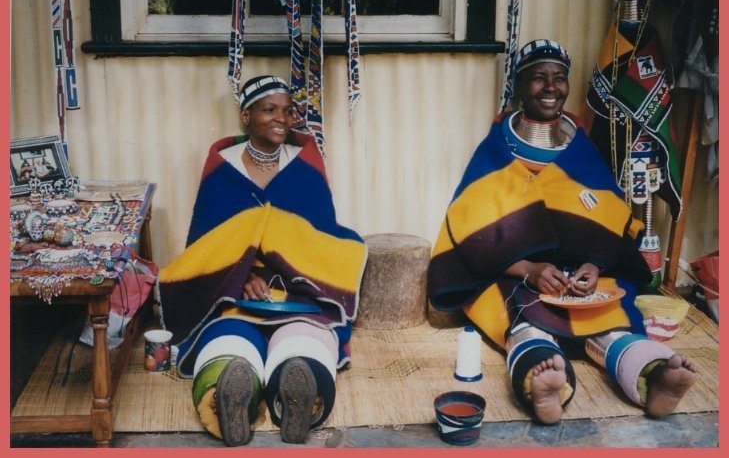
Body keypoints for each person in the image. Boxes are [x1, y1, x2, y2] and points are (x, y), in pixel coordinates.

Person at [428, 40, 697, 424]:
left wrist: (594, 264)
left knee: (611, 313)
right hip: (513, 274)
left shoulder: (579, 146)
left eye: (559, 77)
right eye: (538, 78)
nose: (551, 87)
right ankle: (541, 376)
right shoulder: (497, 149)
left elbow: (608, 216)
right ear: (519, 86)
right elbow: (473, 231)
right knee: (518, 315)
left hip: (578, 279)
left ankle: (651, 372)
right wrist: (529, 269)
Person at [159, 75, 367, 445]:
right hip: (234, 292)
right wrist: (240, 277)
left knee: (305, 337)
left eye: (287, 111)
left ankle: (296, 388)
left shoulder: (304, 165)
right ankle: (232, 395)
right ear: (246, 116)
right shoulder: (222, 169)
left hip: (300, 289)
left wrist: (292, 274)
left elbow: (319, 235)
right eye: (269, 110)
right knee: (228, 336)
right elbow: (207, 244)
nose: (281, 119)